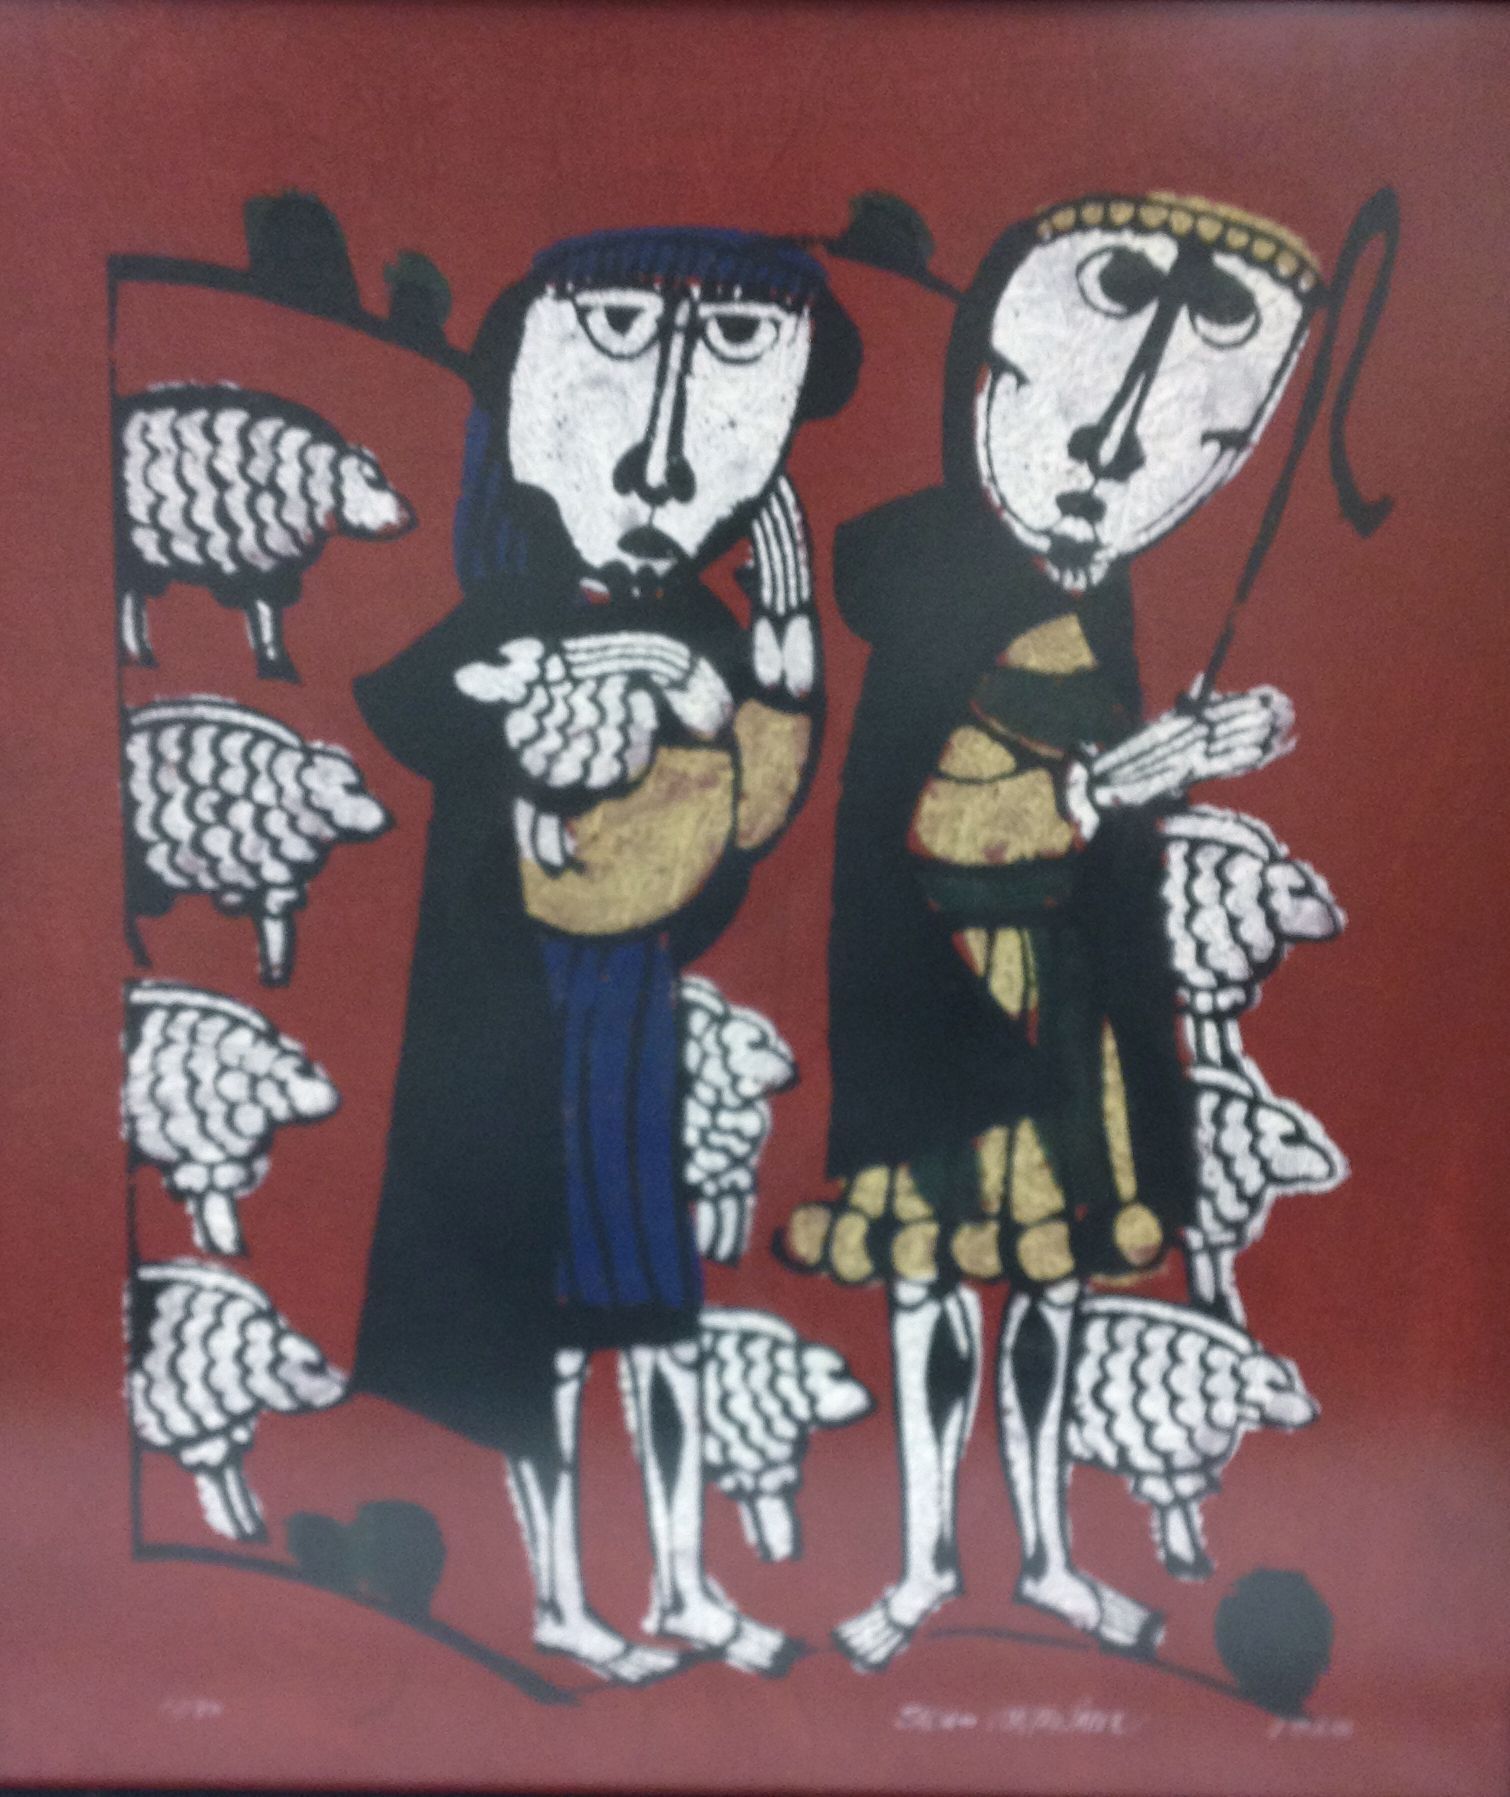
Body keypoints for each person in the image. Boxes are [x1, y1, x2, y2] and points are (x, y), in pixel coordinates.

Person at [781, 192, 1320, 1667]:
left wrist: (1190, 751)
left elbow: (1092, 810)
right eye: (1078, 419)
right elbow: (942, 816)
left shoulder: (1108, 598)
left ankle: (1043, 1560)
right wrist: (1115, 780)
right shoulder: (925, 575)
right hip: (942, 989)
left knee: (1052, 1288)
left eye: (1173, 441)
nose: (1105, 463)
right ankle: (919, 1566)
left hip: (1062, 998)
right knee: (927, 1287)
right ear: (986, 389)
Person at [352, 227, 859, 1682]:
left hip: (633, 1003)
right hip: (522, 1017)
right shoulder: (507, 617)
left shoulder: (696, 623)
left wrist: (782, 640)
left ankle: (684, 1582)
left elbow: (752, 809)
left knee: (659, 1310)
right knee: (551, 1329)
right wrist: (542, 683)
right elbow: (422, 707)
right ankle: (565, 1598)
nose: (655, 472)